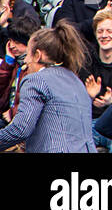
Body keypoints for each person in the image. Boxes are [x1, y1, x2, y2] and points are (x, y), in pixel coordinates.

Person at [0, 22, 94, 152]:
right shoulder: (76, 81)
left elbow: (20, 129)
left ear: (38, 55)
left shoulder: (36, 80)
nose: (26, 61)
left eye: (28, 54)